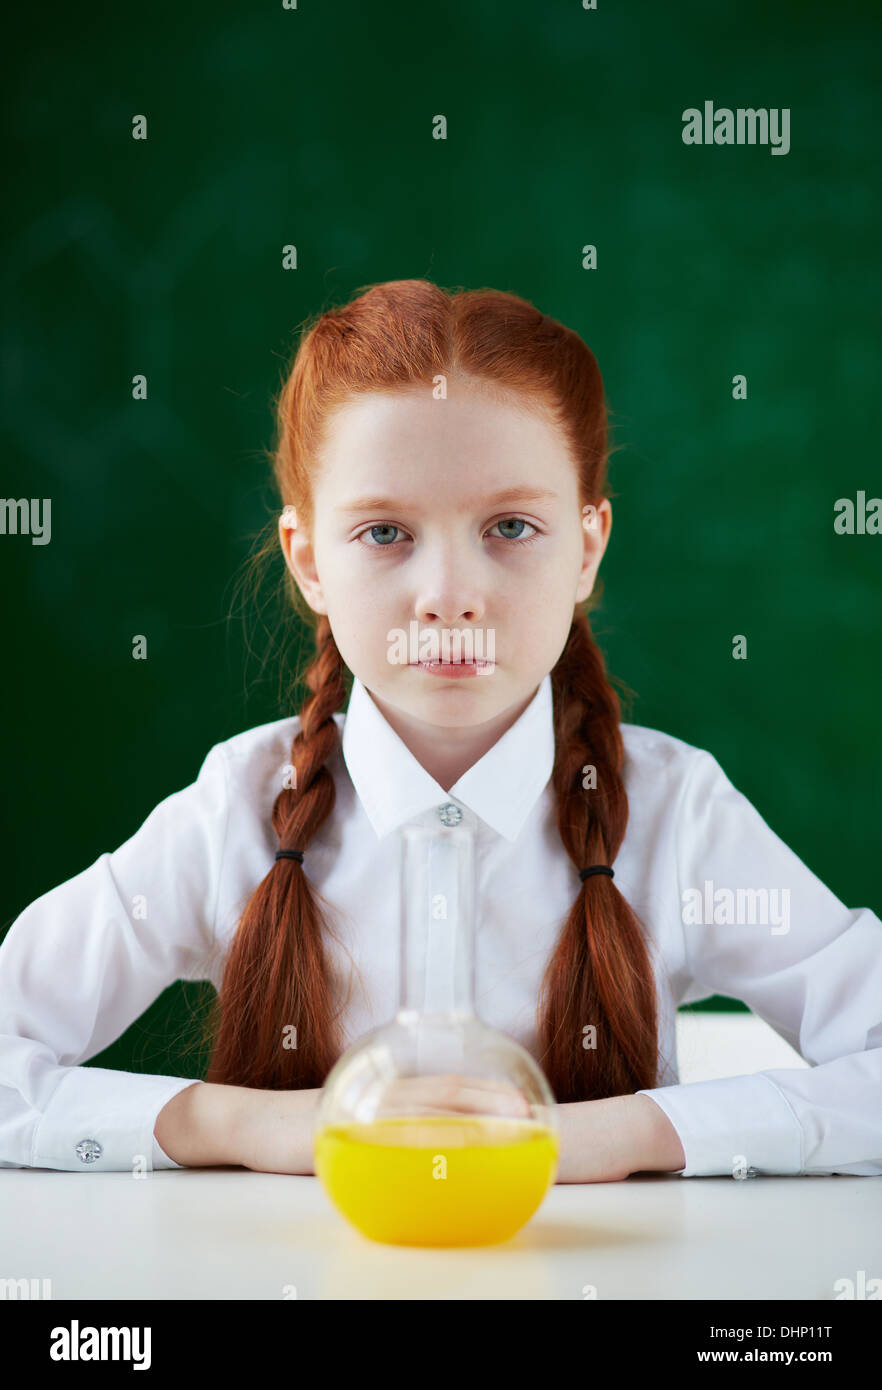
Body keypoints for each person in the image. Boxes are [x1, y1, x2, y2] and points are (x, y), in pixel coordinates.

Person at [2, 280, 880, 1182]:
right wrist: (245, 1126)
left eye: (511, 526)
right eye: (385, 531)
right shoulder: (236, 809)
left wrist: (615, 1137)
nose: (450, 593)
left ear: (586, 545)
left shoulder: (677, 815)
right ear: (309, 562)